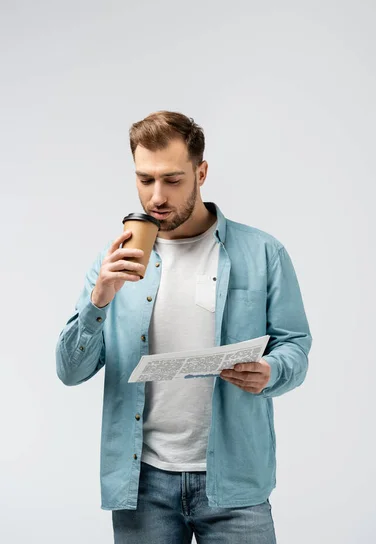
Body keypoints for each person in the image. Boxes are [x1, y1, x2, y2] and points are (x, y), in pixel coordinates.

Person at [56, 110, 313, 544]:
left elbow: (295, 345)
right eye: (145, 179)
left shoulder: (262, 251)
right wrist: (99, 299)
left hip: (235, 483)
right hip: (142, 483)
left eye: (173, 180)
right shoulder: (114, 261)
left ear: (201, 172)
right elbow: (70, 370)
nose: (156, 196)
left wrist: (272, 371)